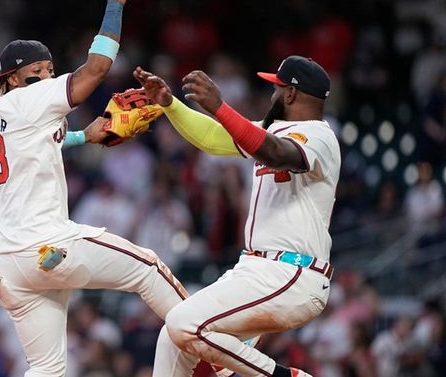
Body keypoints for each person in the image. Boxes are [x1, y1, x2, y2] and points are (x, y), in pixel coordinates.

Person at [0, 0, 204, 377]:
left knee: (46, 368)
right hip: (44, 245)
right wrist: (115, 4)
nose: (45, 77)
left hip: (6, 265)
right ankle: (210, 345)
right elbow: (97, 68)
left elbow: (38, 146)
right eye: (35, 72)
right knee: (148, 267)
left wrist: (84, 136)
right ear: (10, 79)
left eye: (48, 70)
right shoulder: (31, 98)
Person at [136, 55, 340, 377]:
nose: (271, 95)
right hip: (256, 268)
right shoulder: (273, 131)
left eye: (276, 88)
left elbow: (276, 153)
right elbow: (214, 138)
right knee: (173, 338)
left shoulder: (318, 136)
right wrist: (169, 104)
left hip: (290, 272)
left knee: (182, 323)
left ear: (290, 94)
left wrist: (220, 106)